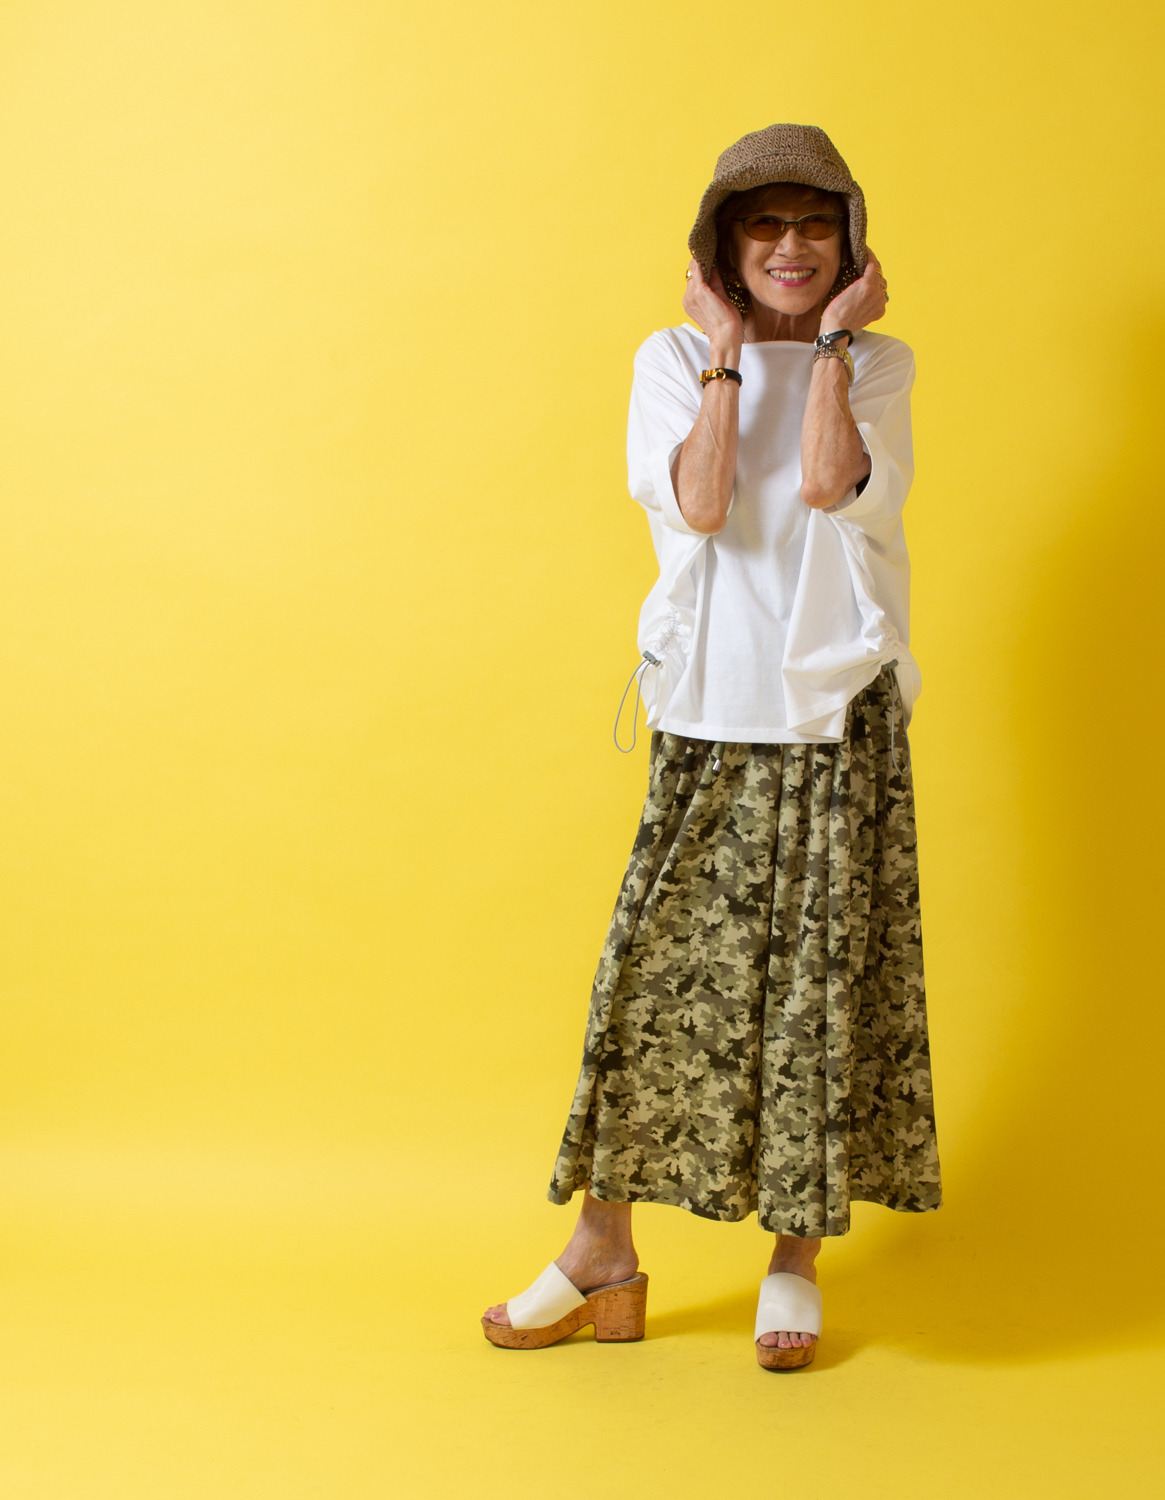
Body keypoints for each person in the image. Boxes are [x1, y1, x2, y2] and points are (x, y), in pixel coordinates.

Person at [481, 123, 941, 1371]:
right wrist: (730, 354)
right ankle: (602, 1251)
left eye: (815, 224)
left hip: (834, 714)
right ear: (724, 245)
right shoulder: (675, 356)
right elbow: (700, 502)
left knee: (818, 991)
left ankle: (796, 1258)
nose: (791, 246)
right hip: (707, 710)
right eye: (764, 225)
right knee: (648, 984)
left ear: (849, 242)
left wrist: (828, 347)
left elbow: (830, 485)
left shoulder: (878, 361)